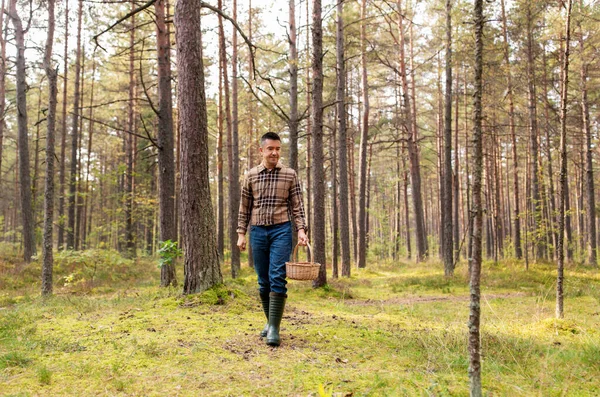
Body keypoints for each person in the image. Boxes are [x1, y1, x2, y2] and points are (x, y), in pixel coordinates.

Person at [237, 132, 308, 347]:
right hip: (257, 231)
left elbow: (297, 204)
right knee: (263, 280)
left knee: (277, 276)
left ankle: (274, 329)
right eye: (270, 149)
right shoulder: (251, 175)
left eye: (277, 149)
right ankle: (269, 322)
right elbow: (244, 207)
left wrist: (302, 229)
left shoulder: (289, 175)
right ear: (261, 151)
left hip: (282, 231)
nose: (274, 152)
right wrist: (241, 233)